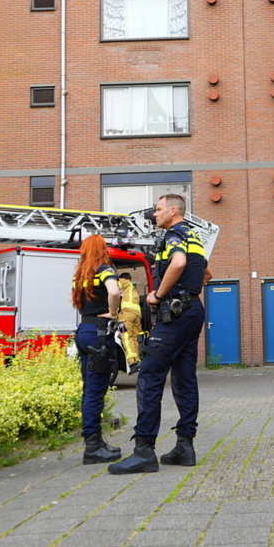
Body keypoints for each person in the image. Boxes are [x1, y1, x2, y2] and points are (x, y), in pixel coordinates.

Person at [109, 194, 212, 474]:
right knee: (184, 377)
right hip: (193, 311)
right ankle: (184, 445)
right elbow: (207, 274)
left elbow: (178, 263)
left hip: (175, 315)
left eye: (158, 210)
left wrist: (158, 295)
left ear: (173, 211)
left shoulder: (174, 236)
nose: (155, 215)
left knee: (150, 376)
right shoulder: (195, 237)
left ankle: (144, 451)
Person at [70, 235, 123, 465]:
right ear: (102, 249)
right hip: (100, 334)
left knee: (88, 389)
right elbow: (114, 291)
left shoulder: (80, 274)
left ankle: (95, 441)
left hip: (84, 330)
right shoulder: (104, 269)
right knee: (96, 390)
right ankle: (93, 448)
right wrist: (113, 313)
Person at [117, 272, 143, 375]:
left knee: (126, 336)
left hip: (126, 314)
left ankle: (132, 362)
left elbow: (113, 288)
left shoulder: (123, 282)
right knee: (134, 337)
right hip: (137, 315)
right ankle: (137, 360)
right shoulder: (133, 288)